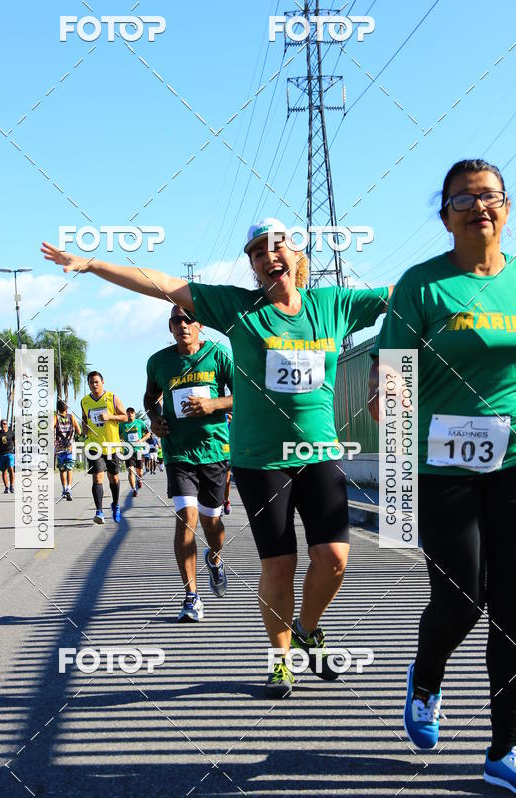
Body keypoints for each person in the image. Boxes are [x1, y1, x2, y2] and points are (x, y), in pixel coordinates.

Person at [41, 221, 390, 688]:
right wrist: (92, 264)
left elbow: (409, 298)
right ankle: (280, 658)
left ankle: (307, 629)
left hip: (319, 452)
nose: (268, 257)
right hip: (260, 459)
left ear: (296, 253)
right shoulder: (239, 308)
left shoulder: (335, 304)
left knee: (334, 558)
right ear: (252, 266)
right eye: (256, 253)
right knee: (280, 562)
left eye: (276, 247)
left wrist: (381, 365)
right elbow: (162, 284)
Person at [371, 159, 516, 793]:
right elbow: (392, 371)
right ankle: (425, 679)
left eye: (491, 197)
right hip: (439, 464)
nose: (480, 208)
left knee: (513, 606)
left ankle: (504, 749)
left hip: (513, 462)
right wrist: (384, 396)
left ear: (506, 209)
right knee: (463, 594)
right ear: (445, 214)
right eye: (465, 199)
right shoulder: (423, 286)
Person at [145, 306, 233, 622]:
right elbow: (149, 397)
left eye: (188, 319)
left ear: (199, 325)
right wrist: (154, 419)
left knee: (213, 526)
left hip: (214, 451)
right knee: (186, 518)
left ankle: (216, 558)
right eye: (176, 321)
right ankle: (191, 597)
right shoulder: (159, 362)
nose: (182, 325)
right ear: (170, 327)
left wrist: (214, 403)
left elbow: (243, 395)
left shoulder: (218, 354)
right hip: (178, 453)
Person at [81, 371, 128, 524]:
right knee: (98, 476)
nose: (94, 385)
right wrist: (85, 429)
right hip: (94, 445)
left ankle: (115, 504)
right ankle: (99, 511)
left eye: (96, 382)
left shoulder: (112, 398)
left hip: (112, 445)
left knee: (113, 478)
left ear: (102, 382)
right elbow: (84, 418)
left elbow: (125, 417)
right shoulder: (85, 401)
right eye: (91, 383)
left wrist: (110, 417)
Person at [54, 399, 82, 500]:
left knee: (62, 470)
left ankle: (64, 488)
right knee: (69, 468)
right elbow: (79, 431)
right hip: (70, 446)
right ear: (66, 408)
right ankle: (69, 488)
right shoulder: (72, 417)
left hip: (59, 447)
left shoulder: (56, 418)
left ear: (58, 408)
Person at [122, 407, 150, 497]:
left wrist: (142, 440)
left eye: (132, 412)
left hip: (139, 450)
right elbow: (117, 434)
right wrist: (120, 441)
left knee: (140, 472)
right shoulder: (122, 424)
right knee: (131, 470)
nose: (130, 414)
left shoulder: (140, 423)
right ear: (126, 414)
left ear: (134, 414)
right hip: (128, 451)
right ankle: (134, 489)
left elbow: (148, 433)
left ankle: (139, 479)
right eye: (128, 412)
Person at [0, 419, 16, 494]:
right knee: (4, 471)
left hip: (10, 453)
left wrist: (18, 452)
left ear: (7, 424)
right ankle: (6, 487)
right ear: (0, 425)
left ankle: (12, 486)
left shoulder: (11, 433)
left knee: (11, 469)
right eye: (2, 424)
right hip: (1, 454)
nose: (3, 425)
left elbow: (15, 442)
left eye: (4, 424)